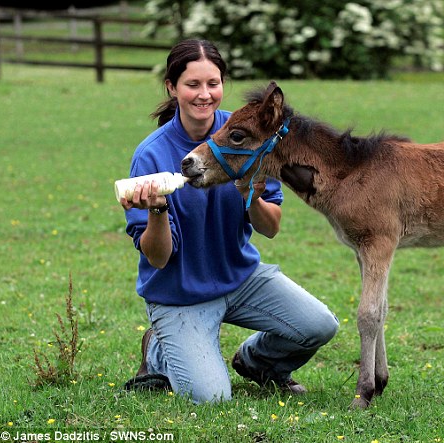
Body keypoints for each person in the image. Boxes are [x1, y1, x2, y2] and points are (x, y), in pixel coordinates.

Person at [119, 39, 339, 404]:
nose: (205, 95)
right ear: (172, 88)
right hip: (180, 295)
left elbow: (270, 227)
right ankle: (159, 350)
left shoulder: (246, 132)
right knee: (212, 399)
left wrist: (247, 190)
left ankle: (259, 363)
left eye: (213, 83)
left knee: (319, 325)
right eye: (193, 85)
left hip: (241, 279)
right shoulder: (151, 155)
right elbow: (157, 258)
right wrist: (157, 209)